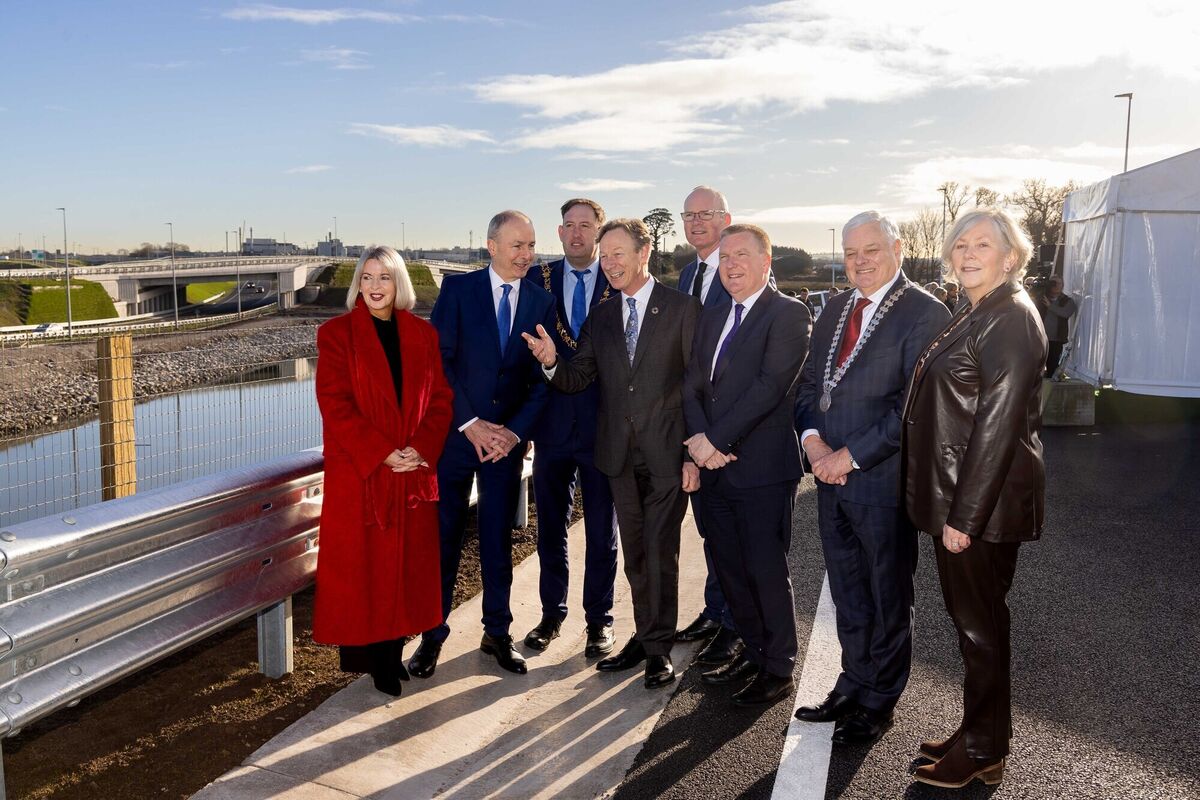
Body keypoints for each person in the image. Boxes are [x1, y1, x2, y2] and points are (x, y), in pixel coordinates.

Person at [793, 211, 950, 745]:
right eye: (851, 253)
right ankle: (853, 683)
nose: (859, 262)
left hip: (880, 481)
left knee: (886, 595)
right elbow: (810, 384)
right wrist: (813, 441)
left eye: (871, 251)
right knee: (848, 592)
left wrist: (849, 456)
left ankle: (880, 700)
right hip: (828, 478)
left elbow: (913, 405)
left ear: (897, 250)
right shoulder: (836, 307)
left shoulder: (925, 313)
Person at [523, 218, 701, 689]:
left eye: (619, 253)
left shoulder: (683, 308)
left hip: (667, 454)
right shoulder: (601, 318)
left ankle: (658, 651)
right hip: (618, 456)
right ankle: (644, 637)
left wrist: (692, 453)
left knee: (660, 551)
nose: (610, 263)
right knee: (636, 553)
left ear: (645, 253)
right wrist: (550, 361)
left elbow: (697, 385)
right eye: (605, 256)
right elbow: (578, 376)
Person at [904, 208, 1047, 789]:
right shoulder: (982, 308)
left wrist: (963, 517)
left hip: (979, 505)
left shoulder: (1009, 318)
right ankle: (982, 730)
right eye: (960, 244)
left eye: (982, 244)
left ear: (1010, 256)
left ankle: (984, 749)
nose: (966, 254)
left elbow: (997, 426)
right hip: (966, 494)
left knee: (979, 627)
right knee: (977, 623)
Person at [408, 211, 557, 679]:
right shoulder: (458, 291)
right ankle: (432, 635)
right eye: (517, 245)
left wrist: (512, 433)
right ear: (492, 246)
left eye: (531, 245)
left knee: (496, 540)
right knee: (444, 539)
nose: (527, 255)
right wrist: (470, 423)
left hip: (504, 446)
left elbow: (542, 380)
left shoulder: (541, 301)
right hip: (455, 441)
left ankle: (497, 633)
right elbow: (438, 363)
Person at [313, 245, 454, 696]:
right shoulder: (336, 334)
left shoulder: (422, 335)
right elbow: (335, 404)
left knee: (405, 569)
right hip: (363, 473)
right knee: (367, 571)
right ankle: (377, 663)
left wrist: (421, 448)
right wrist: (382, 452)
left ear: (399, 284)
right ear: (358, 283)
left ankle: (394, 653)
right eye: (367, 277)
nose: (375, 286)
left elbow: (441, 399)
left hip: (411, 471)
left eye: (385, 277)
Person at [683, 224, 812, 706]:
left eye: (741, 255)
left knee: (764, 570)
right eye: (725, 257)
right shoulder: (712, 316)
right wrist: (700, 444)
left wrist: (714, 440)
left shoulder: (788, 313)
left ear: (765, 261)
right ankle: (754, 652)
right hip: (713, 467)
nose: (731, 265)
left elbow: (770, 386)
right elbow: (692, 384)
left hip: (761, 470)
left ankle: (778, 667)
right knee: (730, 569)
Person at [522, 198, 619, 659]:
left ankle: (600, 620)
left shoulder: (618, 279)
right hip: (552, 426)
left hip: (604, 425)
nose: (577, 233)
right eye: (569, 226)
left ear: (598, 231)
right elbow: (518, 353)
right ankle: (551, 614)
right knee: (550, 530)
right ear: (559, 233)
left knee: (601, 530)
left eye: (586, 225)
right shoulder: (535, 280)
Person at [673, 185, 740, 668]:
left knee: (734, 536)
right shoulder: (687, 273)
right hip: (694, 423)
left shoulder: (740, 268)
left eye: (705, 214)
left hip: (728, 432)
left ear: (725, 219)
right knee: (710, 530)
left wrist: (714, 435)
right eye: (689, 215)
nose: (696, 222)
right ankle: (716, 611)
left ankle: (735, 624)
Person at [1035, 275, 1077, 377]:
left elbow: (1066, 313)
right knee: (1036, 366)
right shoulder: (1041, 298)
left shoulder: (1067, 301)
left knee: (1052, 366)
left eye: (1059, 283)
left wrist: (1050, 306)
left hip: (1056, 339)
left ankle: (1050, 382)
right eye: (1053, 283)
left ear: (1063, 285)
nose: (1056, 285)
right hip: (1040, 338)